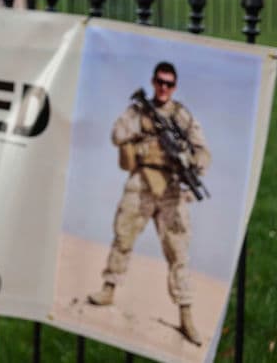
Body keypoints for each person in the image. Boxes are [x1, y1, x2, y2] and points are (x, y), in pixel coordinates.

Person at [87, 61, 211, 346]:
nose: (163, 88)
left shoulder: (182, 116)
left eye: (169, 84)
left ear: (175, 87)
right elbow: (117, 133)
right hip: (142, 182)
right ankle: (108, 289)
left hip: (171, 187)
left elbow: (203, 151)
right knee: (123, 237)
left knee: (178, 252)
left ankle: (186, 314)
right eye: (159, 82)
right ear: (153, 82)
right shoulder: (139, 110)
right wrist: (145, 139)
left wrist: (189, 161)